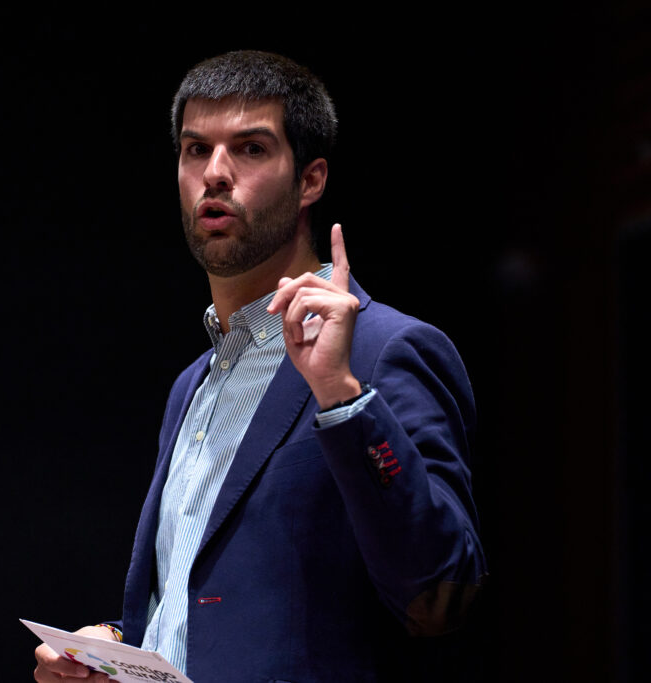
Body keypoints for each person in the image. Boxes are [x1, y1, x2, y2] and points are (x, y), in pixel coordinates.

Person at [34, 50, 487, 682]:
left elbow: (441, 597)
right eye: (196, 150)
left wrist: (341, 397)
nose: (215, 174)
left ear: (311, 180)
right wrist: (109, 645)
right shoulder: (192, 384)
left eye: (249, 149)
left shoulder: (385, 348)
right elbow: (200, 609)